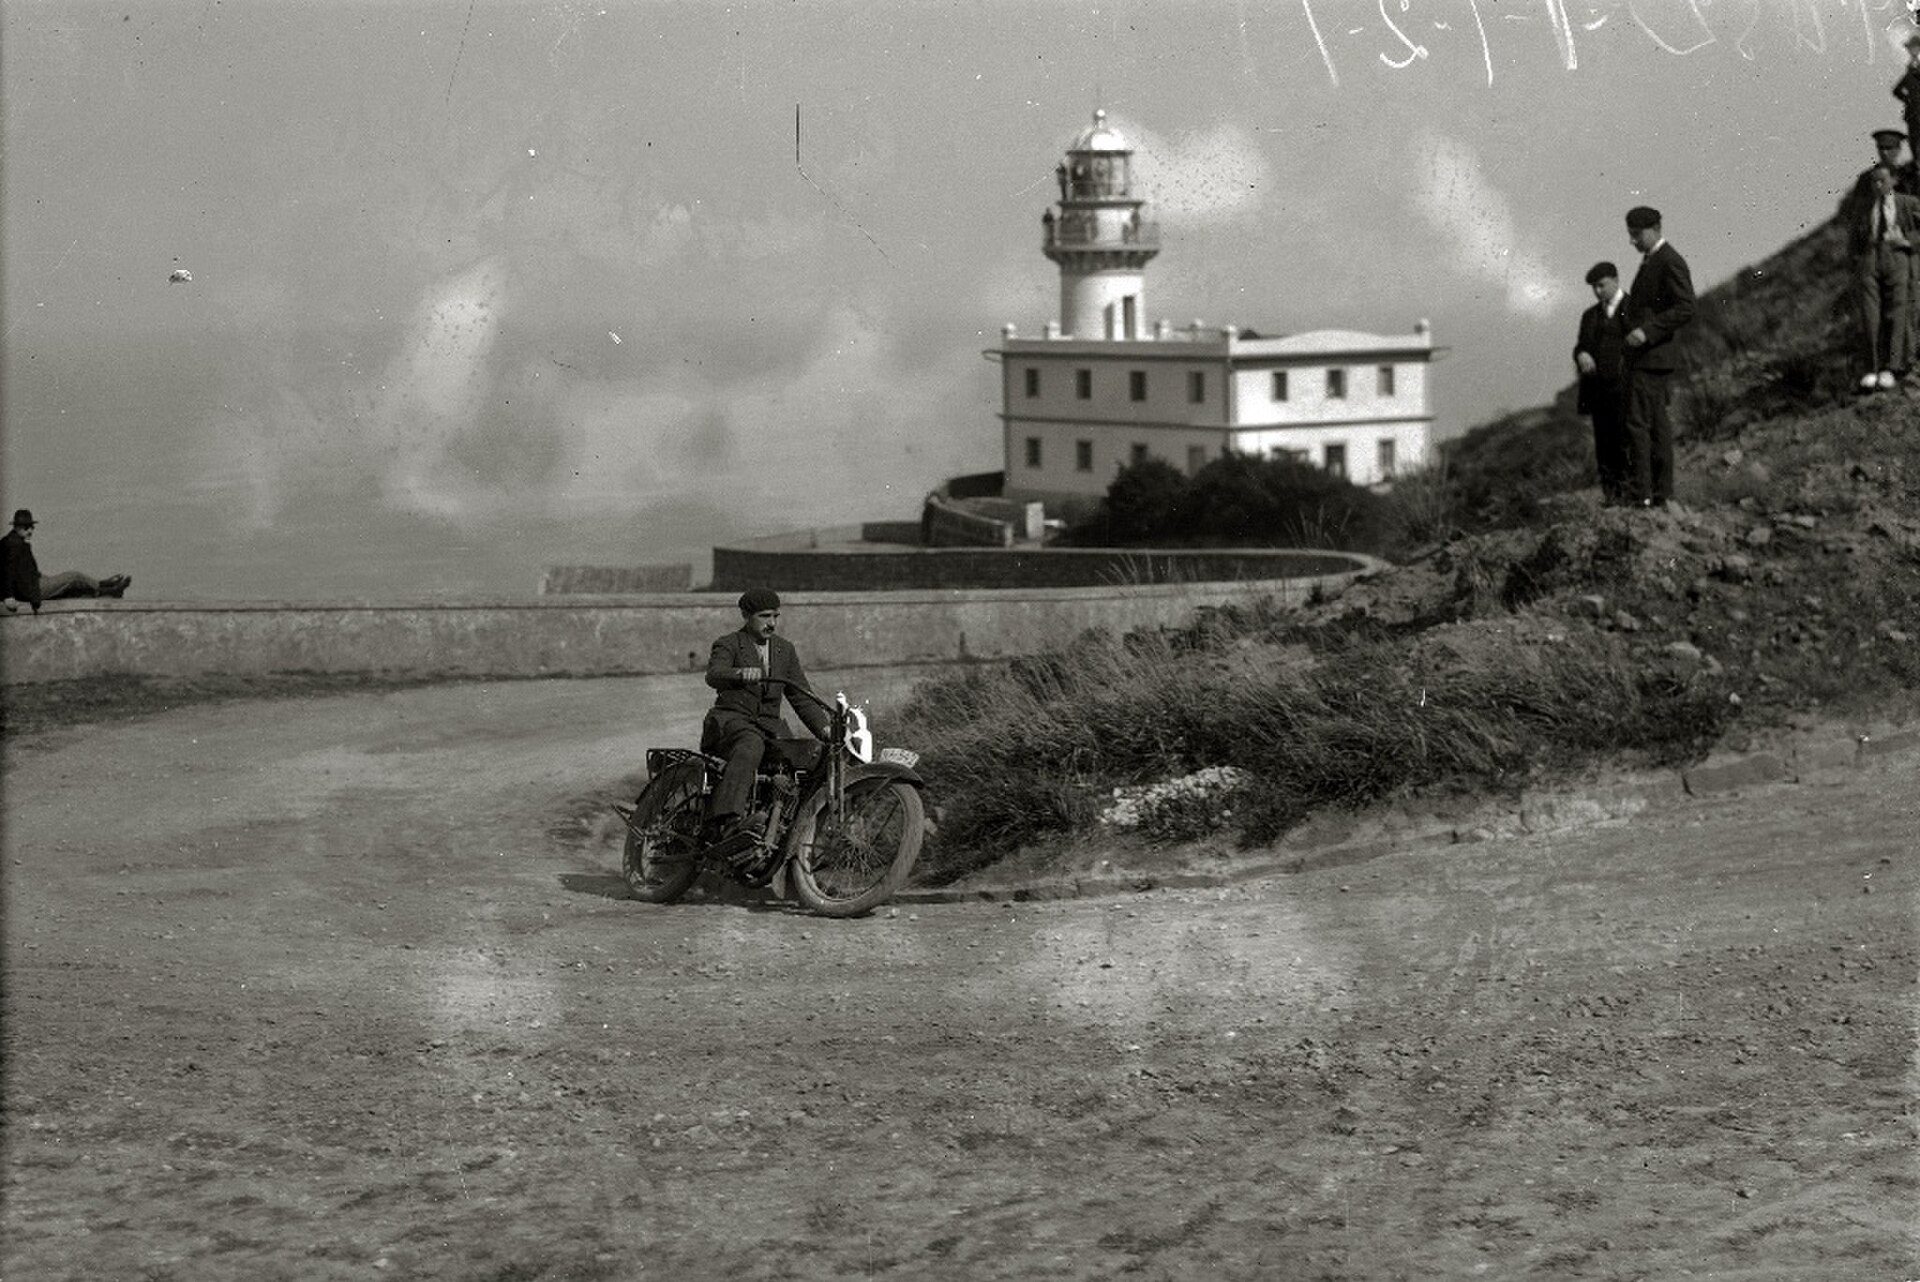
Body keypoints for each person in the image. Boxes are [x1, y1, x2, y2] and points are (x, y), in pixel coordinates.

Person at [700, 587, 830, 848]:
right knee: (750, 746)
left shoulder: (785, 650)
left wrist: (826, 729)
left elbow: (801, 697)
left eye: (775, 616)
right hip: (732, 722)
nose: (771, 623)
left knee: (808, 756)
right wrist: (739, 674)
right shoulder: (729, 643)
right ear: (746, 616)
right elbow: (714, 674)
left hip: (770, 729)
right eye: (764, 616)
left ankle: (787, 832)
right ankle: (727, 822)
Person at [1620, 206, 1696, 510]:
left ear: (1655, 228)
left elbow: (1686, 307)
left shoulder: (1668, 261)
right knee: (1653, 424)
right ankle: (1657, 493)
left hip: (1654, 356)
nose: (1633, 241)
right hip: (1647, 357)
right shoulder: (1653, 260)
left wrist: (1648, 332)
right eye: (1631, 235)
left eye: (1636, 235)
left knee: (1641, 424)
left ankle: (1646, 495)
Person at [1849, 163, 1920, 392]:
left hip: (1897, 255)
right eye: (1874, 181)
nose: (1877, 185)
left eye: (1882, 180)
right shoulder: (1864, 208)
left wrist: (1908, 241)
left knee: (1897, 312)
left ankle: (1892, 366)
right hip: (1870, 258)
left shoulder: (1908, 203)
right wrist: (1858, 261)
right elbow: (1854, 239)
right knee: (1870, 315)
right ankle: (1872, 368)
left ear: (1893, 180)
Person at [1573, 261, 1631, 505]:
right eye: (1594, 287)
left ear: (1616, 280)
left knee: (1627, 443)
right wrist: (1581, 354)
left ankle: (1633, 495)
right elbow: (1581, 345)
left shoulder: (1634, 308)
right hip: (1599, 394)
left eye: (1601, 285)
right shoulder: (1590, 316)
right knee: (1604, 447)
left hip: (1626, 390)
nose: (1598, 291)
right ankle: (1612, 497)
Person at [0, 509, 131, 613]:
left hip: (31, 584)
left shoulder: (11, 541)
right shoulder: (14, 545)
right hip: (31, 589)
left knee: (70, 589)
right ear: (17, 527)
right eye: (26, 527)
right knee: (74, 577)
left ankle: (108, 591)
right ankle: (105, 586)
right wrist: (8, 596)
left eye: (32, 527)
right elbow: (6, 571)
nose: (30, 530)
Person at [1895, 36, 1920, 156]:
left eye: (1914, 48)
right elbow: (1896, 90)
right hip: (1913, 114)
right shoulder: (1910, 68)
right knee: (1914, 142)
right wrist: (1908, 100)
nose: (1912, 50)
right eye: (1910, 48)